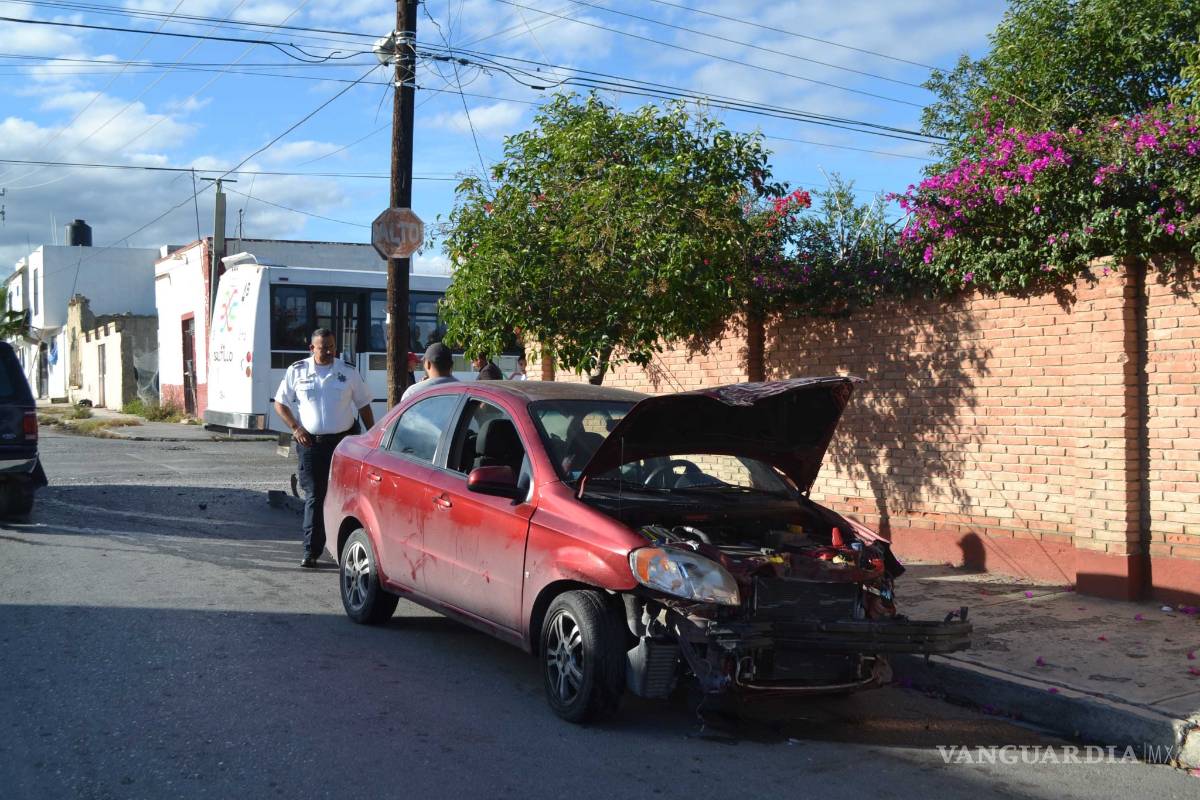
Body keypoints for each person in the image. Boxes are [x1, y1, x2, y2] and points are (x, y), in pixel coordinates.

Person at [274, 329, 374, 568]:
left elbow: (363, 405)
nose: (329, 351)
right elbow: (280, 404)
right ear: (312, 348)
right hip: (311, 444)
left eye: (331, 346)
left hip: (344, 444)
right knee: (315, 495)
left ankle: (345, 548)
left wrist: (373, 438)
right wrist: (295, 428)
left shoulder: (347, 371)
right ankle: (311, 550)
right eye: (323, 347)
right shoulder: (297, 371)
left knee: (348, 496)